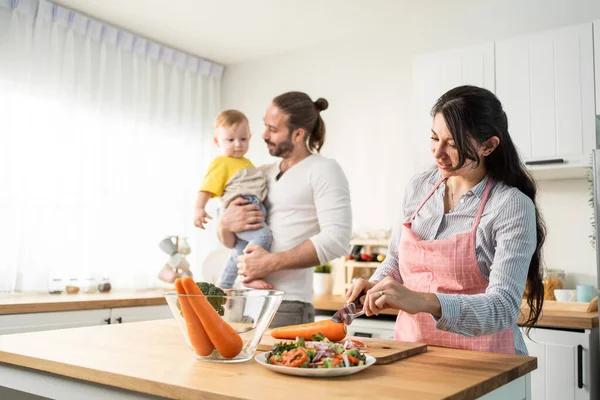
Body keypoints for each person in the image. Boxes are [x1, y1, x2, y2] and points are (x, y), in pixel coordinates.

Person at [346, 85, 545, 355]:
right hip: (413, 352)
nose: (437, 152)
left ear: (489, 145)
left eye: (453, 144)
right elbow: (396, 262)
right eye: (434, 138)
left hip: (486, 361)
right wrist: (375, 285)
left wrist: (425, 301)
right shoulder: (418, 188)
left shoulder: (510, 205)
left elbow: (503, 308)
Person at [216, 91, 352, 327]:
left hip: (286, 303)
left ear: (298, 134)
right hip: (242, 300)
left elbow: (337, 239)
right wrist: (224, 225)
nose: (264, 135)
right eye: (264, 126)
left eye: (273, 129)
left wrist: (270, 263)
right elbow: (231, 241)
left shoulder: (323, 169)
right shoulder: (262, 172)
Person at [194, 110, 272, 290]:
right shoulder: (221, 162)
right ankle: (250, 276)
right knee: (263, 236)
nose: (237, 144)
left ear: (250, 138)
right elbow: (206, 187)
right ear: (217, 141)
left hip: (251, 206)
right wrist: (199, 209)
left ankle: (224, 284)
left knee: (239, 251)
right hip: (240, 207)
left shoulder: (247, 163)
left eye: (243, 139)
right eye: (230, 140)